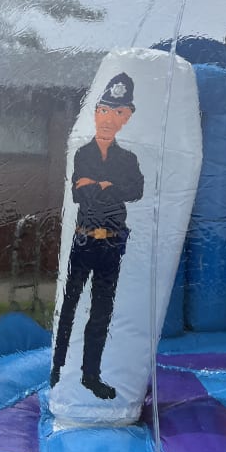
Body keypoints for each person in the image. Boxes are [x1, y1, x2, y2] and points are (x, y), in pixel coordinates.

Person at [51, 73, 144, 399]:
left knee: (101, 311)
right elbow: (81, 193)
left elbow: (136, 190)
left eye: (118, 112)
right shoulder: (84, 154)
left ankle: (91, 375)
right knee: (70, 305)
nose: (108, 118)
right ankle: (57, 368)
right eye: (103, 110)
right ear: (95, 113)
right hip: (85, 239)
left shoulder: (128, 158)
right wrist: (109, 187)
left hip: (112, 243)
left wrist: (102, 186)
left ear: (127, 116)